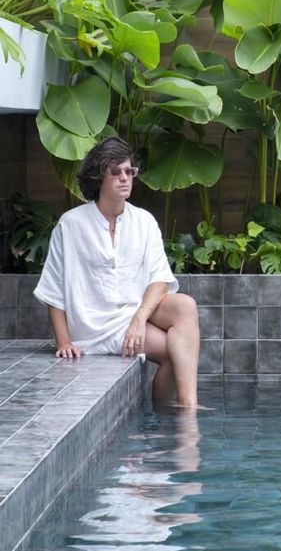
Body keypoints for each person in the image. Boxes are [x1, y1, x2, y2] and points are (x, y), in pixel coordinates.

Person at [33, 136, 200, 407]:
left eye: (129, 171)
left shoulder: (143, 221)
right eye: (116, 172)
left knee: (185, 306)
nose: (125, 178)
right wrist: (64, 342)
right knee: (174, 352)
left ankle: (187, 408)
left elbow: (160, 279)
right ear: (99, 178)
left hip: (132, 318)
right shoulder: (71, 225)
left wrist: (139, 319)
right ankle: (172, 417)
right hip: (93, 328)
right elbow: (53, 292)